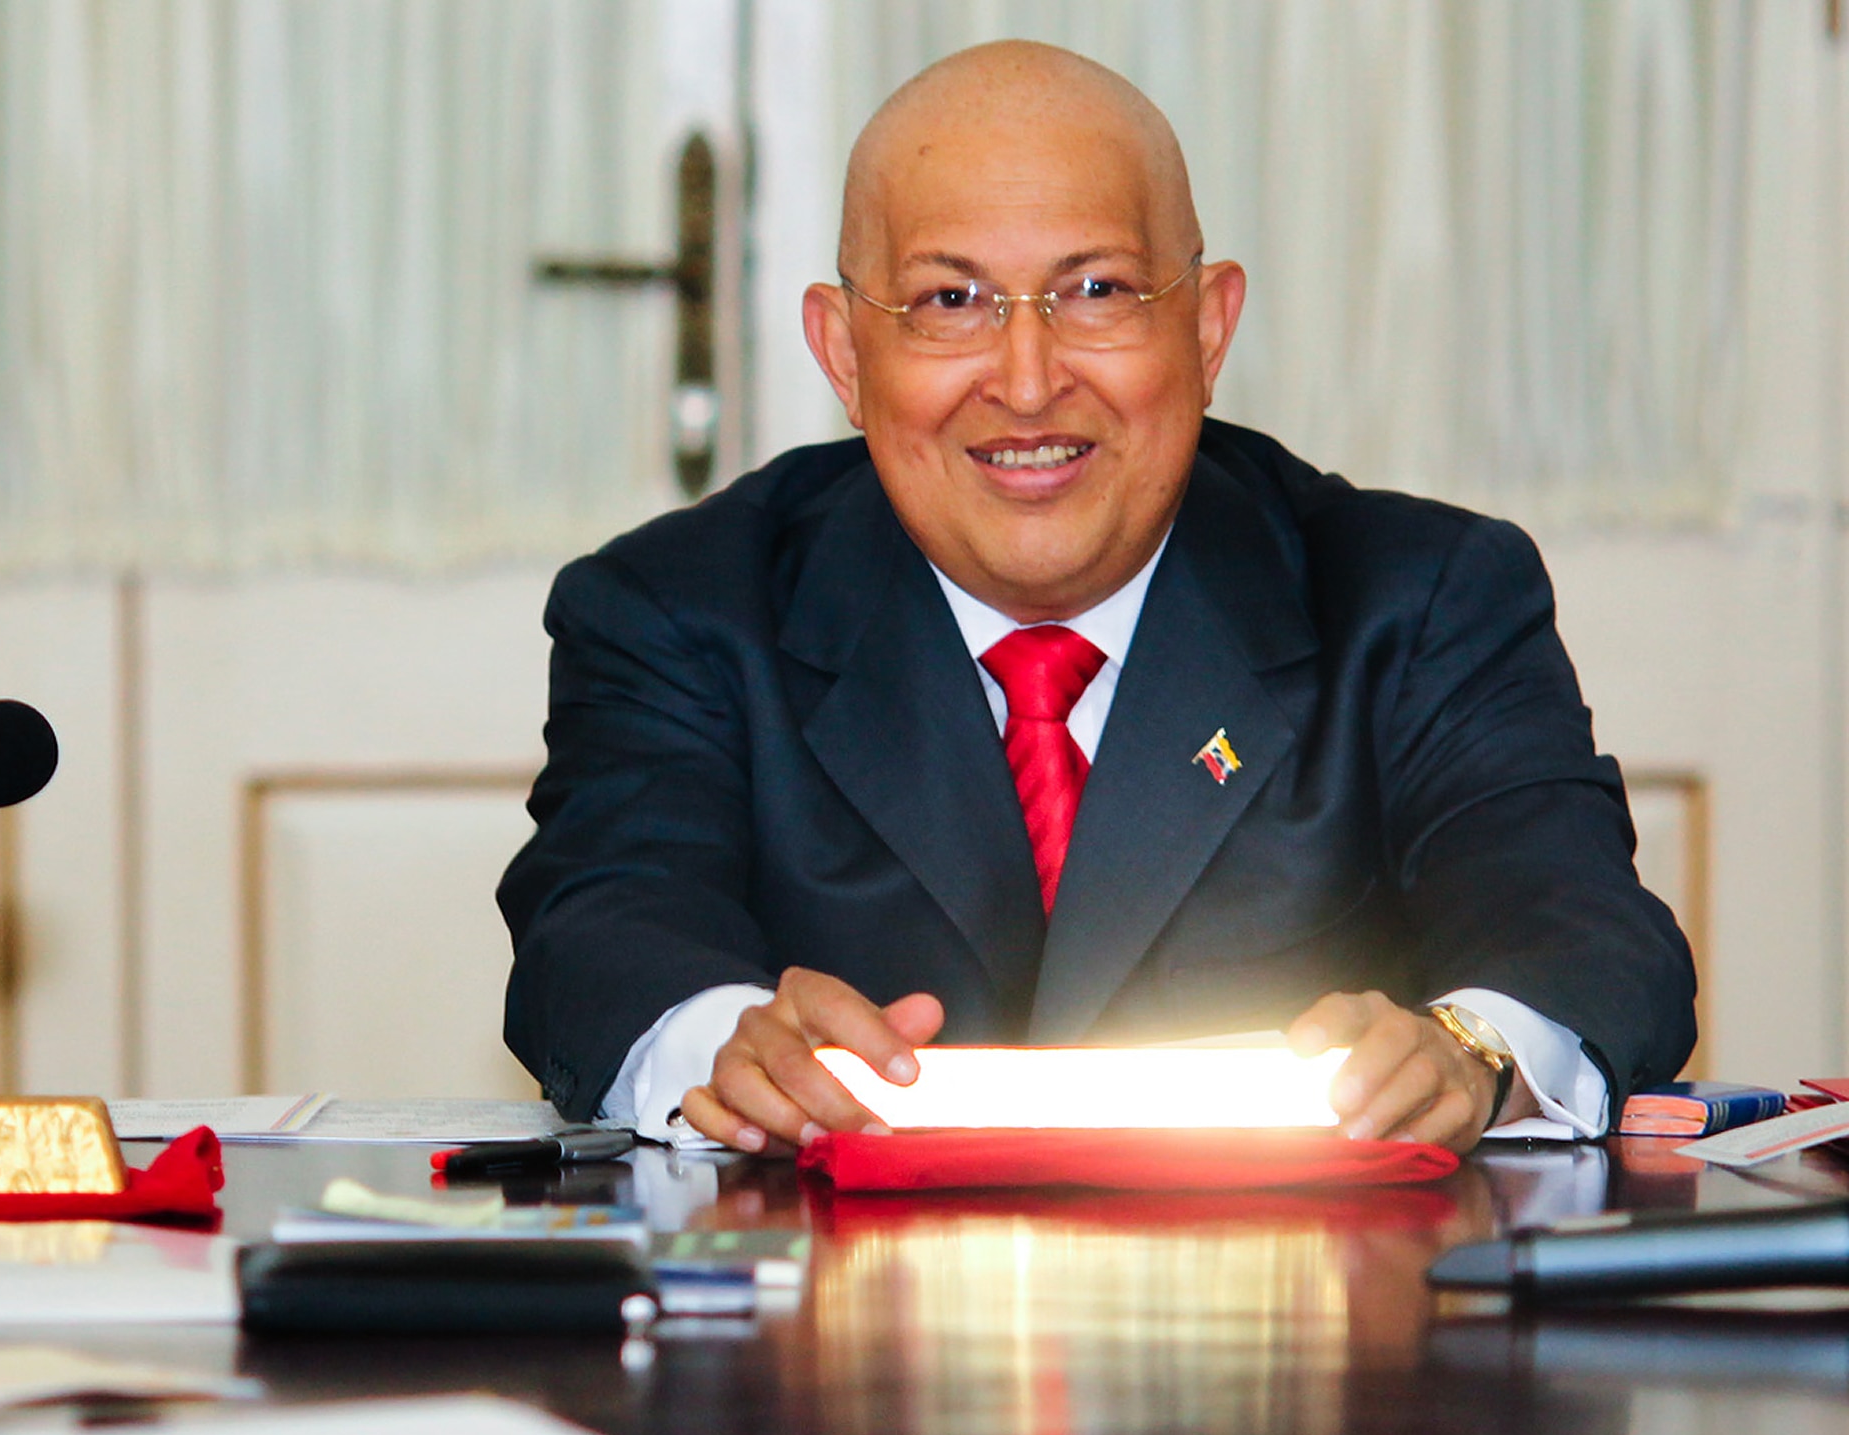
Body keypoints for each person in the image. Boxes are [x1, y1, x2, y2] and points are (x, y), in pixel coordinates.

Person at [498, 40, 1695, 1156]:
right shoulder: (676, 609)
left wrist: (1468, 1052)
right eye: (949, 302)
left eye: (1098, 290)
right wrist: (724, 1043)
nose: (1027, 383)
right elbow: (598, 930)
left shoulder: (1416, 597)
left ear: (1209, 326)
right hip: (824, 1327)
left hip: (1302, 1331)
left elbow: (1584, 931)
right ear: (845, 358)